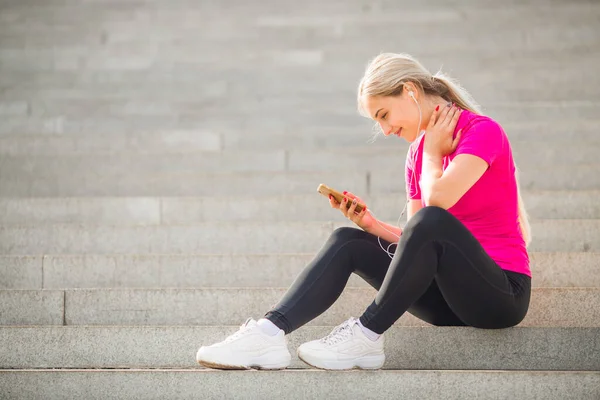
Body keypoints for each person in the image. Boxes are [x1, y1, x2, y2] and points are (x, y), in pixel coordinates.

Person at [195, 52, 532, 371]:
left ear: (410, 91)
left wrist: (431, 152)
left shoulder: (482, 132)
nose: (384, 130)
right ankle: (267, 334)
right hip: (445, 299)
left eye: (383, 115)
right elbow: (419, 242)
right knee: (347, 240)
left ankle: (366, 334)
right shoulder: (417, 156)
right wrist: (371, 226)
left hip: (499, 297)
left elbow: (438, 202)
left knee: (432, 219)